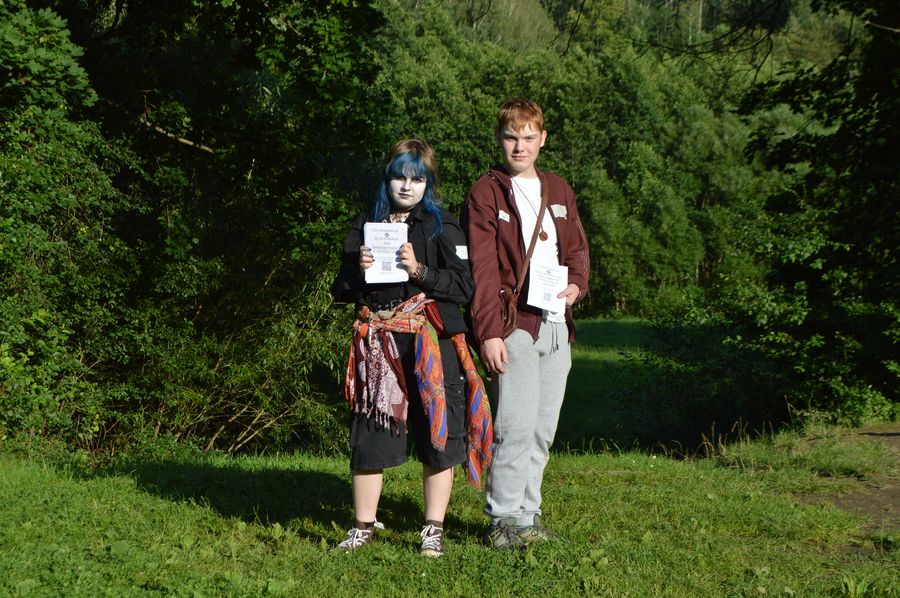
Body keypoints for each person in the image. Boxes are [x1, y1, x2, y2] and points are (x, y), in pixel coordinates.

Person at [331, 139, 492, 557]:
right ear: (387, 178)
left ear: (428, 183)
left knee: (439, 435)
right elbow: (340, 288)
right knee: (370, 433)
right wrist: (358, 272)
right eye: (400, 177)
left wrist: (420, 271)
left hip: (432, 343)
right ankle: (362, 528)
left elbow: (464, 286)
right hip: (379, 344)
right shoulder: (367, 222)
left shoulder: (443, 226)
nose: (407, 186)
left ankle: (432, 530)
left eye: (417, 179)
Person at [462, 99, 589, 549]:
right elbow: (482, 270)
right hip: (513, 322)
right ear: (500, 140)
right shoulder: (486, 192)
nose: (520, 147)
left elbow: (577, 250)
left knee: (542, 428)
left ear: (542, 139)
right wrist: (488, 332)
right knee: (514, 425)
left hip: (556, 324)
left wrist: (576, 287)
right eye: (511, 138)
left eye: (529, 137)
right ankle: (501, 519)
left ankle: (527, 516)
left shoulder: (559, 189)